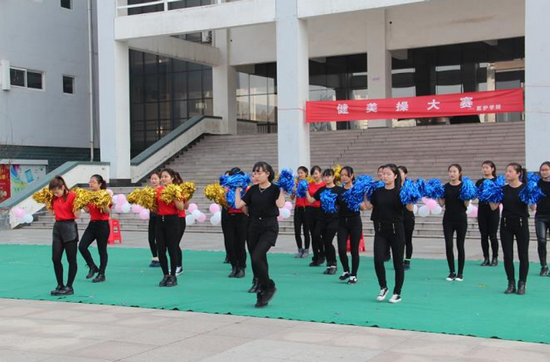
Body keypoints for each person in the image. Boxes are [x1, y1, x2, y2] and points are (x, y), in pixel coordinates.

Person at [235, 161, 286, 308]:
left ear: (267, 174)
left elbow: (281, 204)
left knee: (257, 256)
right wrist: (237, 189)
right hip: (253, 226)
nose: (255, 176)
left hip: (269, 227)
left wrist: (282, 189)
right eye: (254, 173)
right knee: (257, 259)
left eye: (259, 172)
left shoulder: (275, 189)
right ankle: (263, 291)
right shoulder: (252, 190)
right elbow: (239, 205)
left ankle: (269, 285)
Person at [365, 164, 414, 304]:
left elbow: (410, 208)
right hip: (381, 230)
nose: (385, 176)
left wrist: (411, 196)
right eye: (383, 174)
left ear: (395, 176)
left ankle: (397, 292)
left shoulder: (401, 191)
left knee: (398, 263)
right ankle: (383, 287)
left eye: (388, 174)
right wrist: (361, 193)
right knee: (378, 259)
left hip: (396, 230)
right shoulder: (378, 191)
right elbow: (367, 206)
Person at [490, 163, 531, 295]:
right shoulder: (503, 189)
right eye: (506, 171)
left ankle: (522, 283)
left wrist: (532, 195)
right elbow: (493, 207)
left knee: (523, 254)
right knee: (508, 255)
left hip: (521, 224)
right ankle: (511, 283)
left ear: (518, 173)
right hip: (506, 224)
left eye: (510, 171)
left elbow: (533, 208)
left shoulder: (525, 188)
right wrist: (491, 194)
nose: (507, 174)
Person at [307, 169, 342, 275]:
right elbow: (312, 201)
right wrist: (305, 191)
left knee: (328, 241)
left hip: (334, 219)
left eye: (329, 176)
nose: (327, 178)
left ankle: (333, 264)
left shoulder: (338, 190)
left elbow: (343, 204)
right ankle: (328, 264)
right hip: (322, 219)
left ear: (333, 177)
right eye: (325, 176)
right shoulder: (321, 190)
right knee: (317, 237)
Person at [49, 176, 80, 296]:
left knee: (71, 259)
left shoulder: (72, 196)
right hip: (58, 227)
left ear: (62, 187)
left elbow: (77, 214)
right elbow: (52, 212)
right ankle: (60, 284)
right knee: (55, 258)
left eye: (57, 192)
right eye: (53, 192)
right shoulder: (54, 198)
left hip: (69, 227)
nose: (55, 194)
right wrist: (48, 203)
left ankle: (69, 286)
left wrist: (78, 206)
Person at [79, 174, 111, 283]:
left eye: (93, 182)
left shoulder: (105, 195)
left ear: (100, 184)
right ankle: (92, 266)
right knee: (82, 246)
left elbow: (107, 212)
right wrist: (81, 203)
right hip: (92, 224)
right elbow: (88, 210)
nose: (90, 184)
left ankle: (102, 274)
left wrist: (102, 202)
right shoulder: (89, 195)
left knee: (102, 250)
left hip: (103, 225)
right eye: (90, 181)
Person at [155, 168, 184, 287]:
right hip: (160, 220)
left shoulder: (177, 189)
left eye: (166, 176)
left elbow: (181, 207)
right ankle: (165, 275)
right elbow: (155, 207)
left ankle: (173, 276)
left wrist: (173, 196)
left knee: (172, 249)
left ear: (172, 178)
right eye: (162, 177)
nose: (163, 179)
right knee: (160, 249)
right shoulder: (158, 190)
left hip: (172, 220)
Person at [439, 164, 469, 282]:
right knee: (448, 245)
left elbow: (466, 205)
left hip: (461, 218)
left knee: (460, 245)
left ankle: (460, 272)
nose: (452, 174)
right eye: (450, 171)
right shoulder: (445, 187)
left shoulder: (464, 187)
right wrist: (437, 195)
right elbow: (442, 204)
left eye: (454, 171)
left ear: (460, 173)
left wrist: (467, 196)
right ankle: (452, 271)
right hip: (448, 219)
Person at [337, 166, 365, 284]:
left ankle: (354, 274)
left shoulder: (357, 190)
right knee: (342, 249)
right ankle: (346, 270)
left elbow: (363, 207)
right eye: (342, 175)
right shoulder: (339, 190)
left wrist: (356, 201)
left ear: (352, 176)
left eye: (346, 175)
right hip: (342, 222)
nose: (343, 177)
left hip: (355, 221)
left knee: (354, 250)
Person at [225, 167, 248, 278]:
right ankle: (234, 267)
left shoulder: (244, 188)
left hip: (241, 217)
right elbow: (224, 203)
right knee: (230, 244)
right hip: (229, 217)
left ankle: (242, 267)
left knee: (240, 243)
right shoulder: (227, 188)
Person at [476, 161, 499, 267]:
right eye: (483, 168)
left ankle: (495, 257)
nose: (485, 169)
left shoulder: (497, 181)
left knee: (493, 235)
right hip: (482, 210)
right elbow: (475, 194)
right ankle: (486, 257)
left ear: (492, 169)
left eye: (487, 167)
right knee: (483, 235)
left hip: (493, 210)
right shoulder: (479, 182)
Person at [306, 166, 325, 266]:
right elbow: (306, 196)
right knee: (313, 235)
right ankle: (315, 257)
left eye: (316, 173)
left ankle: (322, 253)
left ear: (320, 173)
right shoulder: (309, 185)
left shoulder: (325, 185)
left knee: (317, 234)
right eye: (313, 174)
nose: (315, 176)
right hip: (310, 210)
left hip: (321, 210)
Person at [291, 166, 310, 258]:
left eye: (302, 173)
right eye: (298, 173)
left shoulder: (308, 184)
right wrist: (294, 191)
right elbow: (291, 198)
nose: (300, 174)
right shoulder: (296, 184)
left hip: (306, 210)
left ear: (306, 173)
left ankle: (306, 250)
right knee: (297, 231)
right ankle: (299, 249)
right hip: (298, 209)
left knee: (306, 231)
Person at [398, 166, 415, 270]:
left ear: (405, 174)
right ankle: (398, 260)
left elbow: (410, 207)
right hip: (396, 217)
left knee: (407, 239)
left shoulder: (409, 186)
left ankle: (407, 260)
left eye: (401, 173)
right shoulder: (393, 186)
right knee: (398, 240)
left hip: (408, 216)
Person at [535, 161, 550, 276]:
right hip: (540, 216)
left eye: (546, 170)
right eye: (542, 170)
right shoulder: (536, 184)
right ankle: (543, 266)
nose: (544, 172)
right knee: (541, 241)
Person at [174, 171, 190, 276]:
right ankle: (174, 265)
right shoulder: (164, 190)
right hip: (169, 219)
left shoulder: (181, 191)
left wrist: (186, 198)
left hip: (179, 218)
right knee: (170, 244)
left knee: (175, 243)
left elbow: (186, 206)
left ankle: (179, 266)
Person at [147, 171, 161, 267]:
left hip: (160, 217)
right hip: (152, 217)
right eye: (152, 179)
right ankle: (155, 257)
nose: (154, 180)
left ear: (159, 180)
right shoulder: (148, 191)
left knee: (159, 239)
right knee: (151, 238)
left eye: (155, 178)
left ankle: (161, 257)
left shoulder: (162, 190)